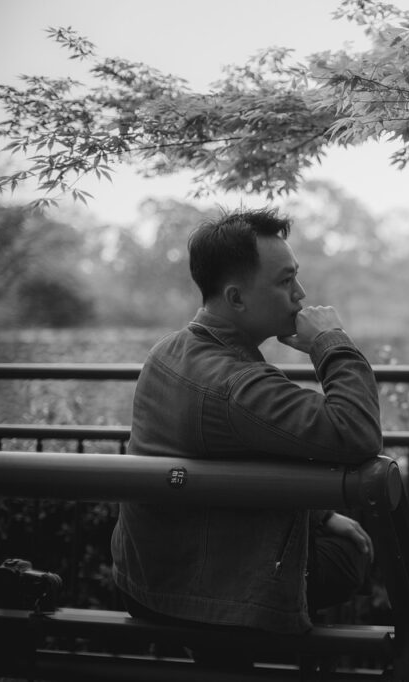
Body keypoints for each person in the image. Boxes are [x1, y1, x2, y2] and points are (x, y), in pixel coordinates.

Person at [110, 208, 382, 653]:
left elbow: (231, 456)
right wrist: (331, 342)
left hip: (147, 580)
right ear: (236, 299)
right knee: (348, 555)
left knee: (333, 535)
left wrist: (321, 515)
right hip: (207, 598)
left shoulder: (168, 351)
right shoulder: (238, 384)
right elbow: (356, 433)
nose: (301, 294)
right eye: (285, 281)